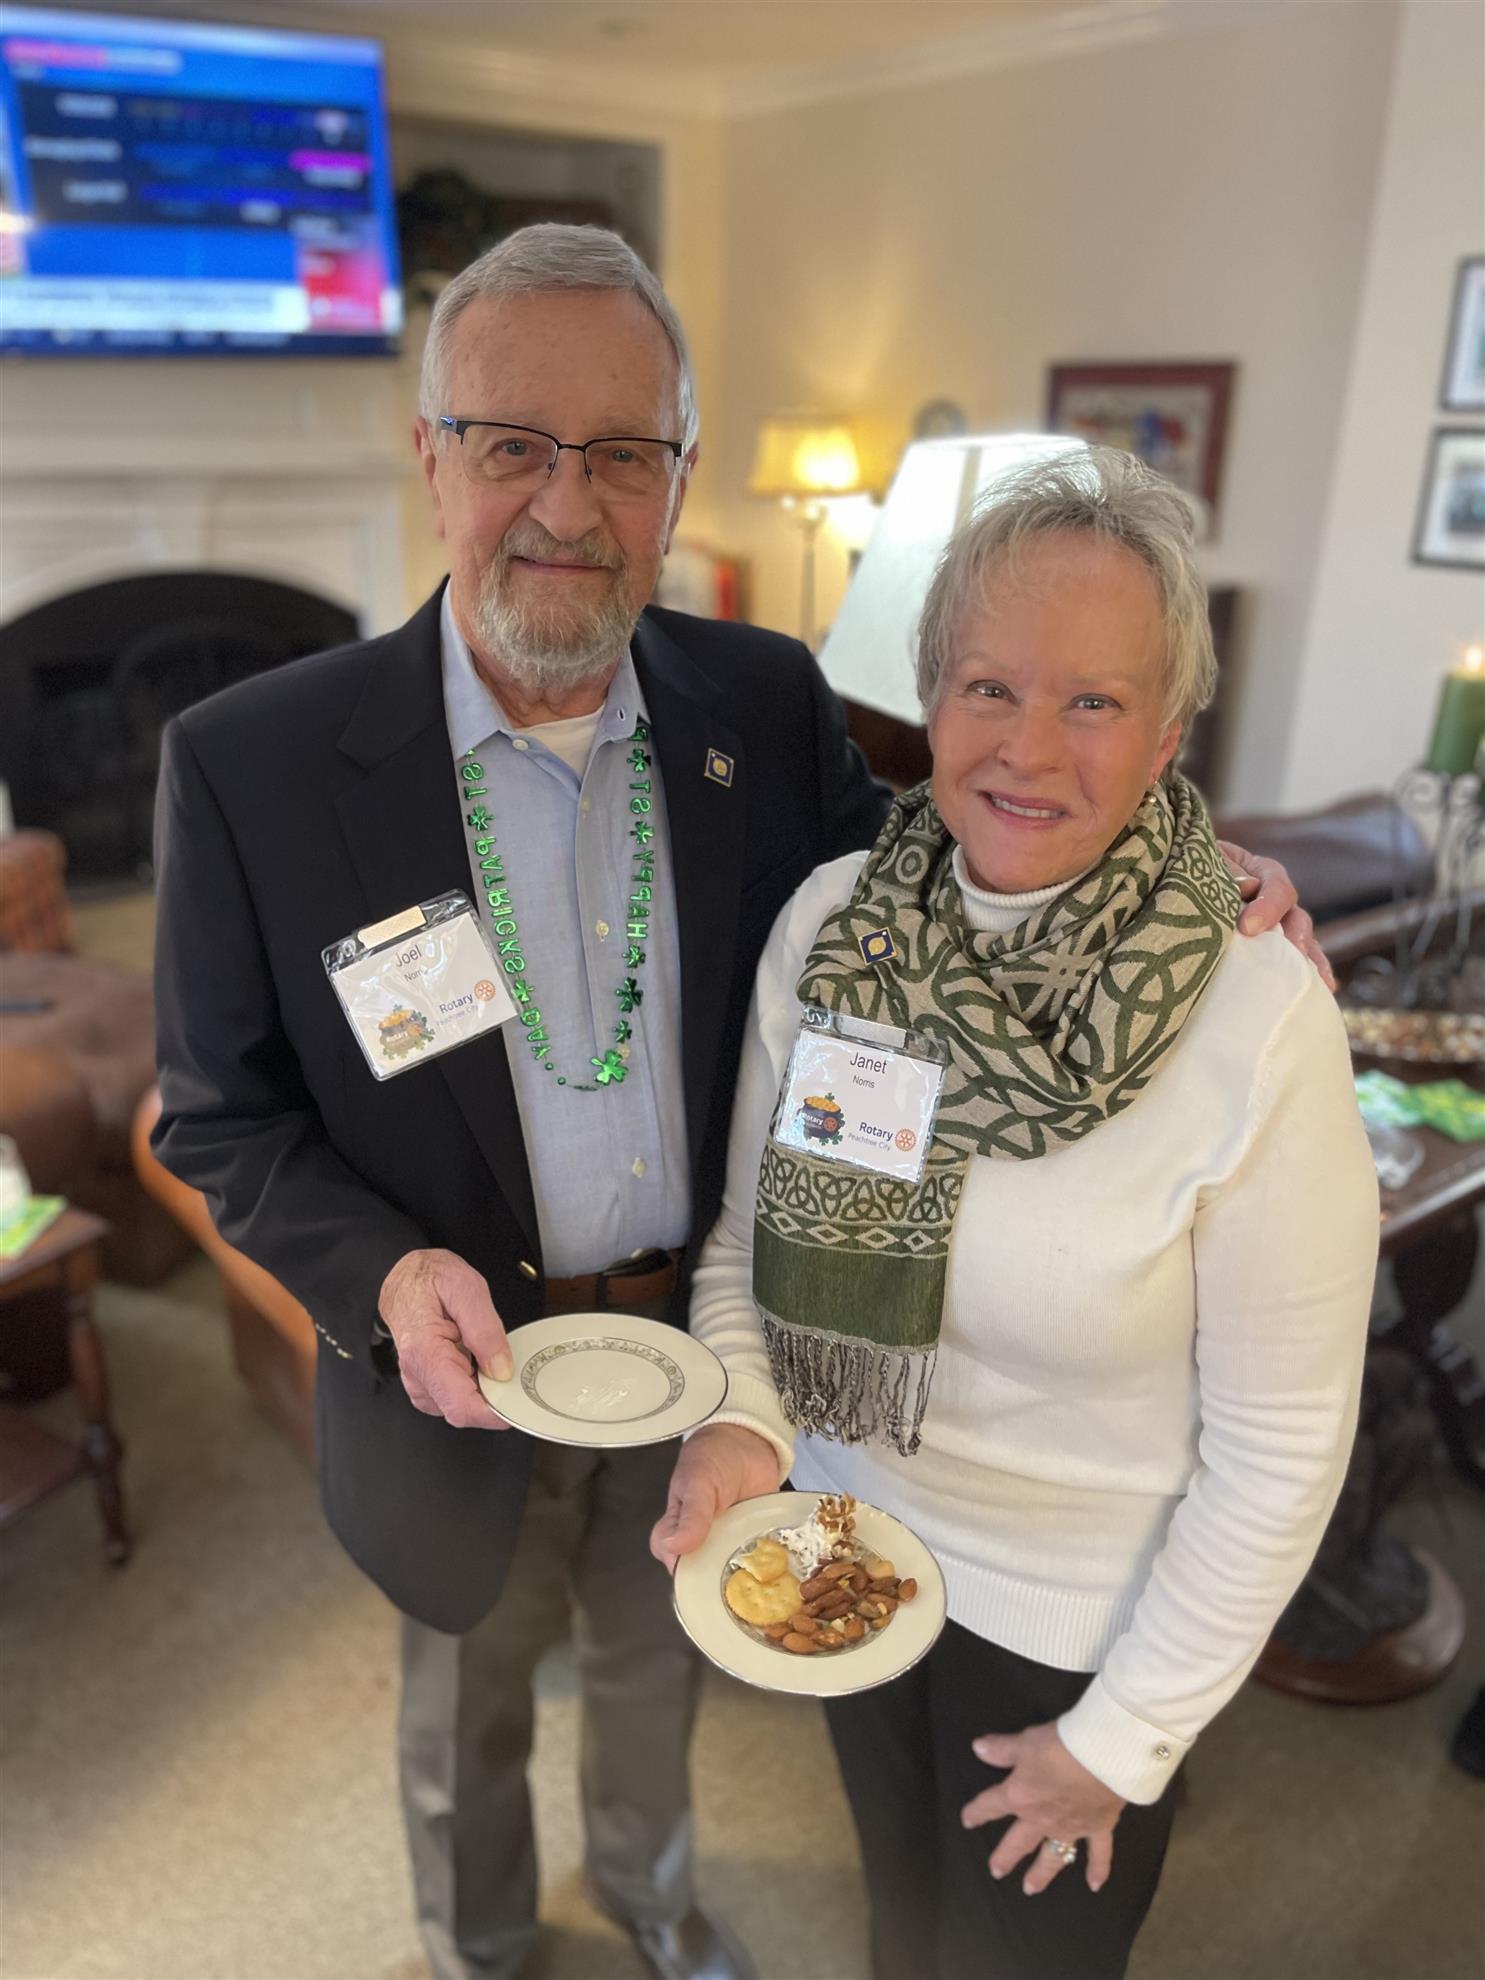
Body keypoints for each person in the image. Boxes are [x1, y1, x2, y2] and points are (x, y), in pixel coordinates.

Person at [151, 225, 1308, 1980]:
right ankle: (474, 1945)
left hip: (705, 1353)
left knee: (660, 1658)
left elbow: (934, 875)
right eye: (512, 444)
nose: (566, 503)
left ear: (678, 478)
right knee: (462, 1695)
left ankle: (654, 1899)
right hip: (453, 1373)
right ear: (431, 457)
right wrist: (377, 1277)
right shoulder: (252, 763)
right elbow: (217, 1115)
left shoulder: (758, 702)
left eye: (623, 452)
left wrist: (1183, 870)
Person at [652, 447, 1378, 1980]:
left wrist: (1124, 1738)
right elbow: (745, 1250)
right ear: (928, 697)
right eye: (987, 686)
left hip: (1075, 1634)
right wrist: (743, 1428)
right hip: (843, 1543)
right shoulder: (831, 930)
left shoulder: (1254, 1019)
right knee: (896, 1931)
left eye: (1093, 701)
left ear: (1167, 734)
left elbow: (1280, 1449)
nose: (1027, 747)